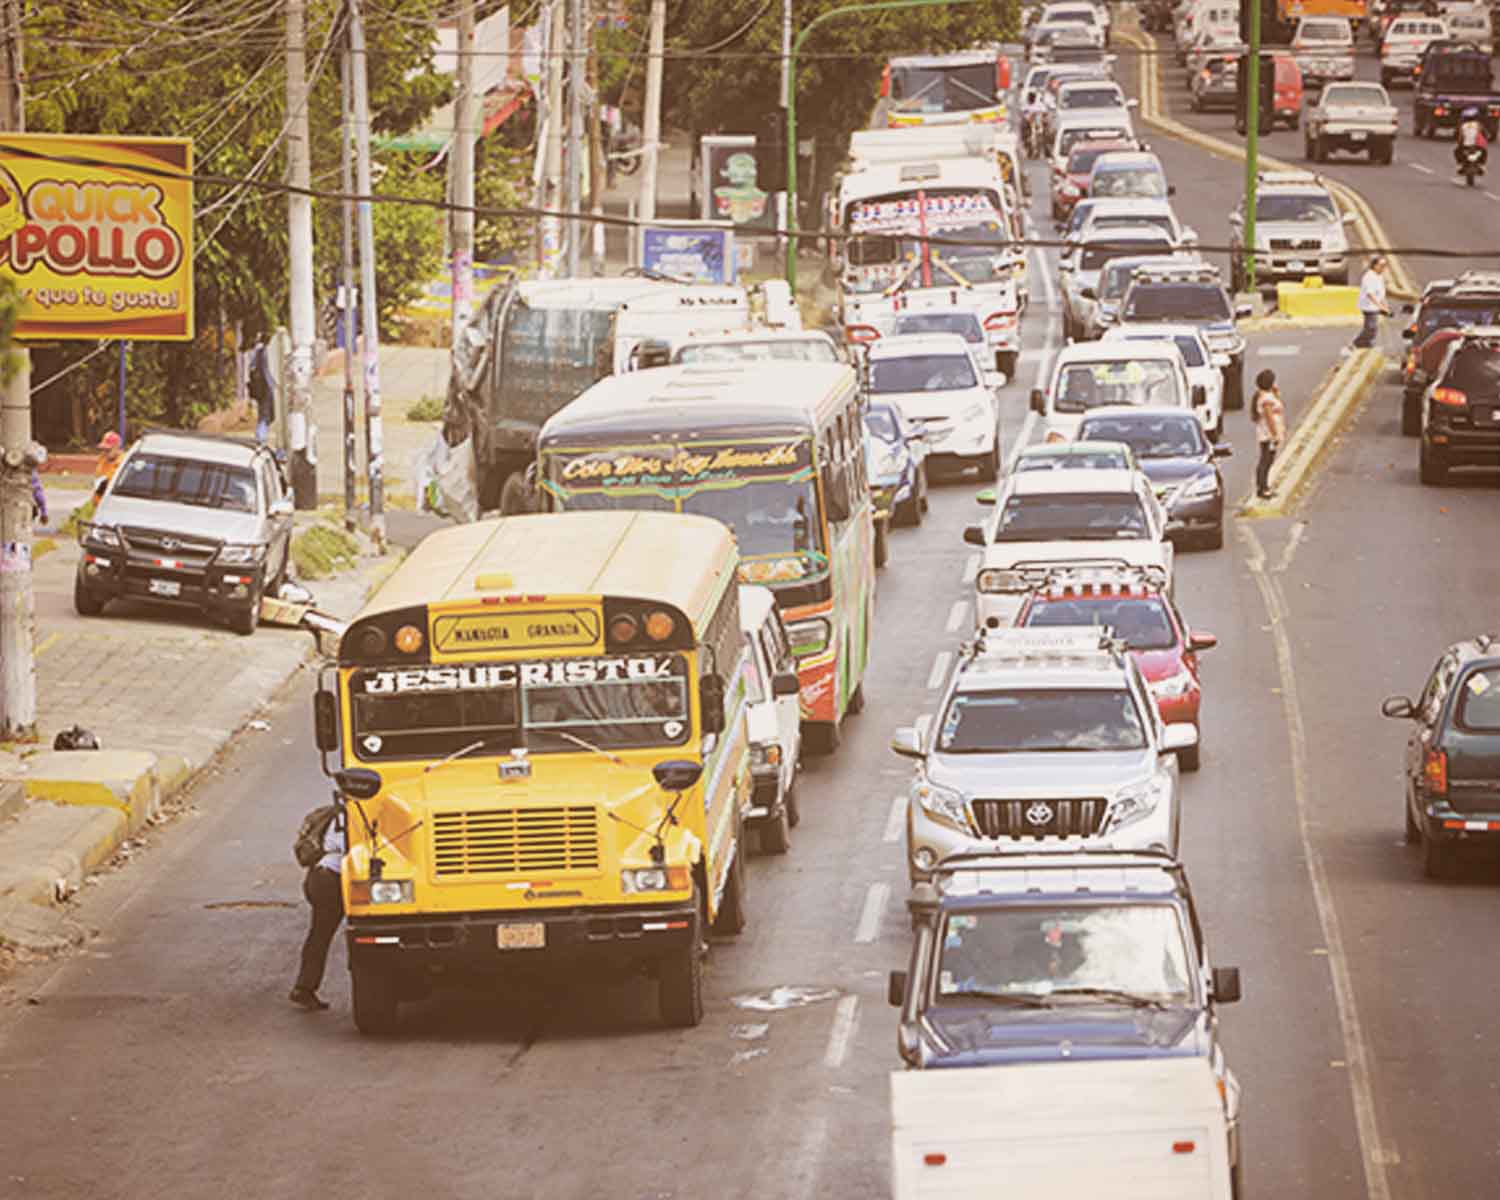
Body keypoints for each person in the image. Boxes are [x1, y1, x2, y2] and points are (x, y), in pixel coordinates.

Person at [290, 805, 346, 1011]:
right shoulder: (350, 817)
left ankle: (304, 987)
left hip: (320, 877)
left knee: (319, 934)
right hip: (332, 881)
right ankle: (304, 987)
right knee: (323, 933)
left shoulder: (336, 814)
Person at [1346, 256, 1391, 355]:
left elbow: (1381, 293)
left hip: (1375, 306)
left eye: (1385, 266)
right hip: (1368, 306)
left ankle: (1366, 344)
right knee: (1371, 327)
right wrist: (1380, 306)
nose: (1383, 268)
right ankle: (1356, 343)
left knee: (1372, 328)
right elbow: (1370, 294)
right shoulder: (1369, 277)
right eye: (1381, 265)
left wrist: (1385, 306)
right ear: (1375, 266)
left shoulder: (1379, 276)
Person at [1252, 368, 1285, 500]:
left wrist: (1276, 393)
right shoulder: (1266, 399)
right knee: (1266, 460)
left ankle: (1264, 486)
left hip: (1268, 434)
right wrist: (1274, 434)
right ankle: (1262, 488)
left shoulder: (1267, 396)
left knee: (1268, 459)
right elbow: (1269, 417)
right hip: (1268, 435)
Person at [250, 335, 276, 445]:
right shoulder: (271, 352)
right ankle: (260, 436)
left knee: (265, 413)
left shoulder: (259, 351)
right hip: (270, 387)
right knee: (267, 414)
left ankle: (261, 435)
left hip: (262, 386)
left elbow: (252, 367)